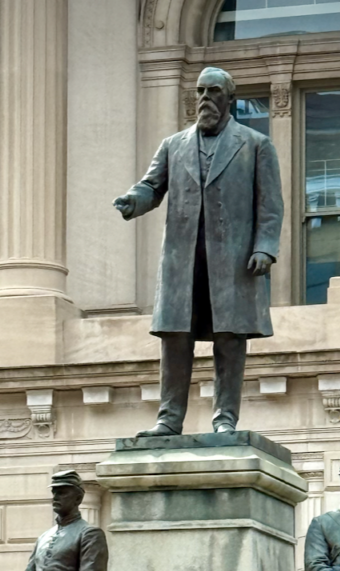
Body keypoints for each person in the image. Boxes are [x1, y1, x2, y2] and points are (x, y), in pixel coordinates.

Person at [114, 66, 283, 436]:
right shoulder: (174, 145)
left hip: (234, 262)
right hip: (183, 261)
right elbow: (151, 187)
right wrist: (132, 200)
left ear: (230, 99)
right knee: (176, 337)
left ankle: (225, 418)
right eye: (200, 91)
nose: (205, 98)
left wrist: (265, 248)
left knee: (229, 339)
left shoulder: (255, 144)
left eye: (213, 92)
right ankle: (169, 418)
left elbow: (270, 204)